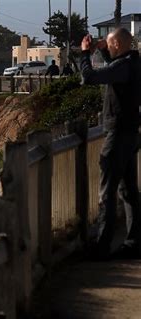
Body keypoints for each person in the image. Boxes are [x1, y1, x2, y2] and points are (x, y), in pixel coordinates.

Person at [80, 28, 141, 260]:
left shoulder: (123, 66)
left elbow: (89, 77)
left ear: (117, 44)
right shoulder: (133, 62)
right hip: (131, 133)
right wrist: (105, 52)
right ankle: (133, 243)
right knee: (128, 191)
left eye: (108, 43)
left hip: (118, 135)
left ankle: (102, 247)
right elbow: (115, 72)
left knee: (107, 192)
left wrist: (85, 54)